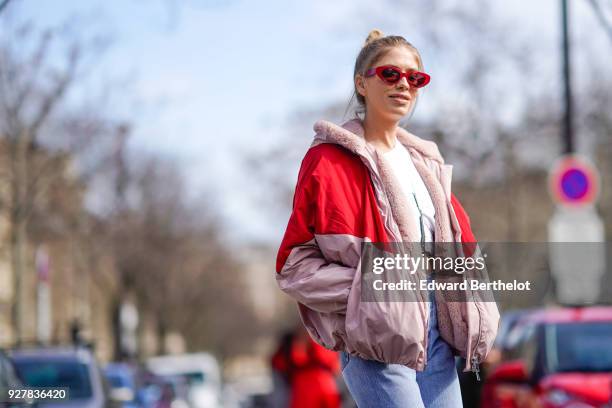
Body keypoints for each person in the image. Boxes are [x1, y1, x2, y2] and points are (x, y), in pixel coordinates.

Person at [275, 28, 500, 407]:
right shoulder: (329, 162)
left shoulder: (426, 163)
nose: (404, 85)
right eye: (390, 74)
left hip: (437, 335)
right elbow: (293, 266)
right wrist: (370, 295)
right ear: (361, 83)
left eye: (415, 78)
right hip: (376, 341)